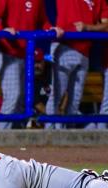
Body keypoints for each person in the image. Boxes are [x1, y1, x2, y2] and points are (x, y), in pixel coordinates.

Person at [0, 0, 61, 130]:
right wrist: (3, 32)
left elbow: (43, 21)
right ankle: (1, 137)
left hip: (27, 56)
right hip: (8, 53)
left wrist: (50, 28)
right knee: (12, 97)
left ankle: (17, 136)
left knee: (23, 100)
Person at [45, 0, 108, 129]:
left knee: (75, 99)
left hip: (85, 51)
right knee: (56, 96)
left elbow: (107, 25)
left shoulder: (99, 1)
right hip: (65, 46)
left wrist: (87, 27)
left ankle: (69, 135)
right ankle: (49, 133)